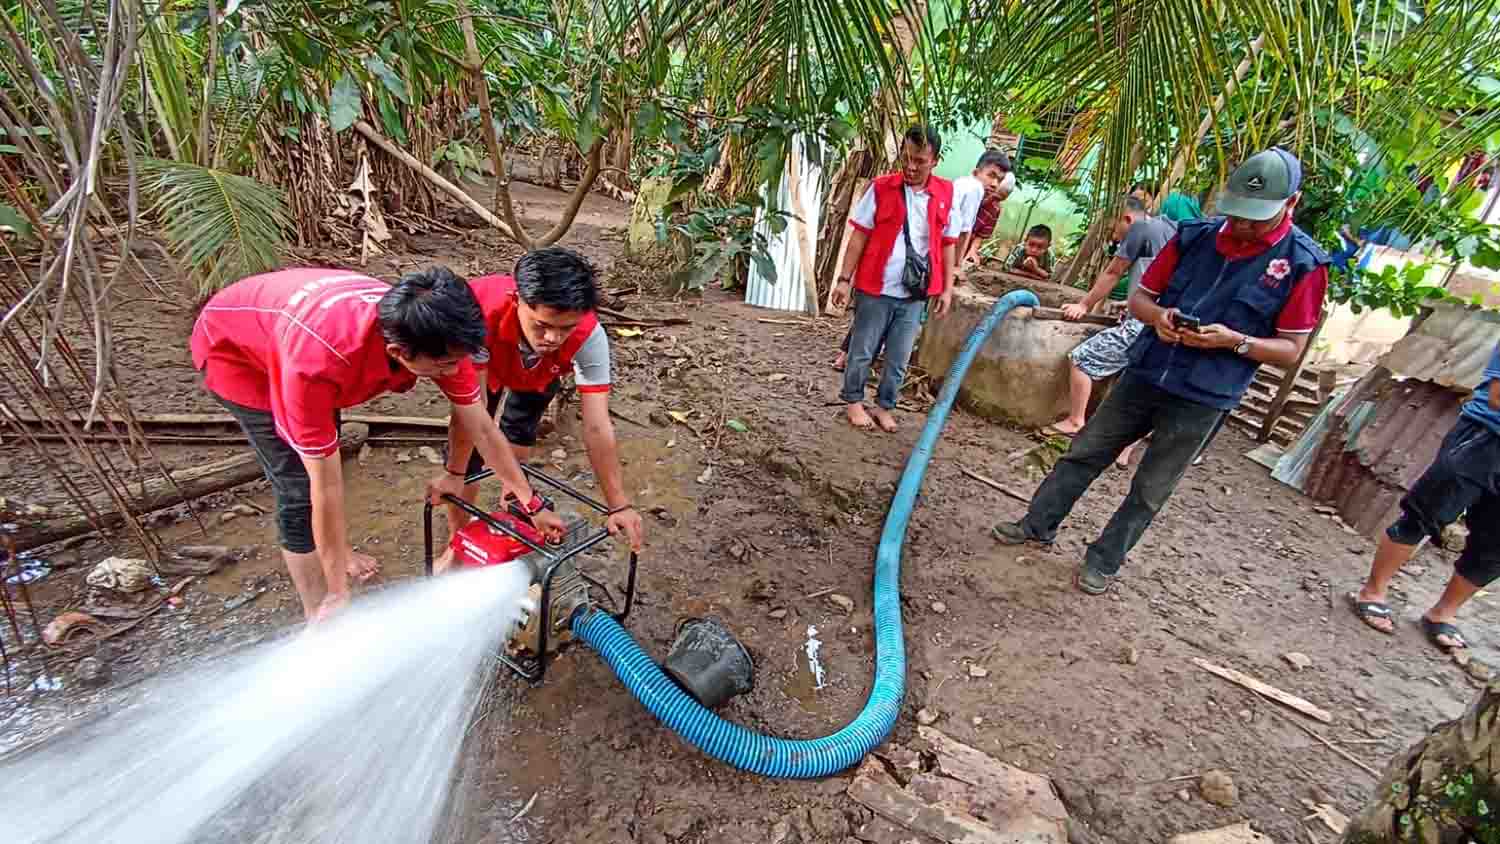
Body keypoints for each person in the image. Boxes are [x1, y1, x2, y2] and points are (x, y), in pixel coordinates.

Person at [992, 148, 1330, 595]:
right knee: (1085, 451)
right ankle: (1037, 524)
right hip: (1147, 371)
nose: (1243, 226)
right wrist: (1160, 319)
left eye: (1256, 218)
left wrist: (1235, 341)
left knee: (1151, 487)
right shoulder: (1194, 236)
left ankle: (1104, 560)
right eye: (1238, 215)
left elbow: (1290, 349)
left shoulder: (1303, 264)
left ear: (1291, 203)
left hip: (1204, 395)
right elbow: (1141, 299)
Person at [190, 267, 564, 622]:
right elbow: (325, 484)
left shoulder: (441, 336)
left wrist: (529, 502)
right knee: (300, 487)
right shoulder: (317, 365)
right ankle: (318, 611)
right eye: (446, 364)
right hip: (237, 355)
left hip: (296, 323)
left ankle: (334, 554)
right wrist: (338, 590)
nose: (455, 371)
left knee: (323, 460)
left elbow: (483, 429)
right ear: (400, 353)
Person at [435, 247, 645, 573]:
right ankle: (457, 541)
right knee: (471, 455)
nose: (553, 338)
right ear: (517, 298)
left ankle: (513, 504)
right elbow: (470, 418)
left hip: (539, 372)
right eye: (543, 325)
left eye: (566, 328)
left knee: (520, 428)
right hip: (487, 358)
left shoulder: (590, 336)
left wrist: (618, 504)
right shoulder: (477, 315)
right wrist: (454, 473)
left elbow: (597, 426)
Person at [1349, 339, 1500, 654]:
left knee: (1495, 547)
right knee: (1423, 514)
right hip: (1484, 438)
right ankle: (1373, 592)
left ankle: (1442, 614)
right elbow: (1498, 397)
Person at [830, 124, 959, 433]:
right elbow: (859, 236)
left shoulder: (944, 193)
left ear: (935, 160)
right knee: (862, 350)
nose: (912, 166)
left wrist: (946, 288)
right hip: (875, 287)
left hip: (915, 293)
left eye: (920, 161)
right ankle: (853, 402)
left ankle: (885, 406)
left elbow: (947, 242)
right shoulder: (881, 187)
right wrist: (844, 280)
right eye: (907, 158)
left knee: (899, 358)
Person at [1049, 196, 1178, 468]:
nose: (1114, 236)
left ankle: (1075, 420)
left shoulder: (1140, 229)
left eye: (1112, 228)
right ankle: (1124, 451)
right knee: (1137, 382)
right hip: (1168, 324)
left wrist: (1084, 304)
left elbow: (1113, 271)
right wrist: (1129, 302)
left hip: (1143, 323)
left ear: (1127, 219)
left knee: (1082, 358)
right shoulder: (1171, 230)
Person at [952, 149, 1013, 274]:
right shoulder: (974, 189)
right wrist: (956, 268)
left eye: (999, 180)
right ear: (975, 173)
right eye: (991, 175)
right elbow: (962, 233)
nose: (995, 184)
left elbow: (971, 234)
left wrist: (971, 252)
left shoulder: (963, 183)